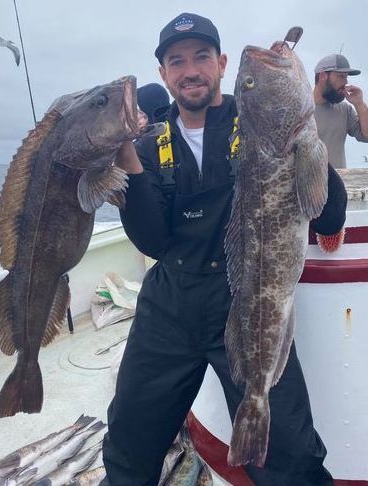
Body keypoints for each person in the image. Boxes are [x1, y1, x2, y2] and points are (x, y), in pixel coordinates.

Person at [102, 12, 347, 486]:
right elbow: (152, 240)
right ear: (163, 74)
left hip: (248, 299)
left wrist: (306, 143)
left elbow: (330, 217)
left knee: (291, 455)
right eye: (177, 61)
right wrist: (126, 160)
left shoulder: (257, 120)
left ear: (221, 63)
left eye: (201, 57)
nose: (190, 70)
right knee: (129, 441)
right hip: (169, 303)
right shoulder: (150, 145)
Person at [314, 53, 368, 168]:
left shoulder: (345, 110)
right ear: (323, 76)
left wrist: (359, 103)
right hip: (304, 185)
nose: (346, 82)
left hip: (338, 184)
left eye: (346, 76)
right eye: (341, 76)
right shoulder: (299, 109)